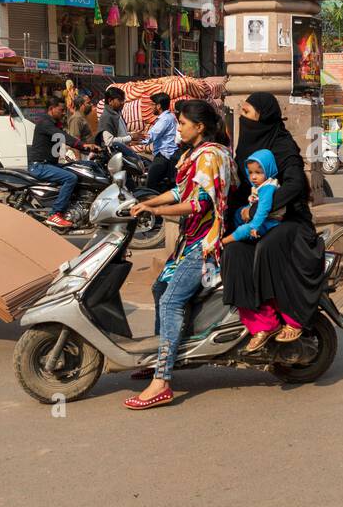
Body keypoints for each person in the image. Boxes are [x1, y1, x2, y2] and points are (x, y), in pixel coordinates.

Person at [125, 101, 236, 411]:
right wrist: (143, 202)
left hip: (204, 246)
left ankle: (161, 382)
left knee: (171, 300)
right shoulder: (194, 155)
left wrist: (156, 211)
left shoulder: (211, 156)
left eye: (184, 123)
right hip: (188, 242)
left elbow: (199, 203)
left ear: (199, 127)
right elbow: (179, 193)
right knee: (160, 288)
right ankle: (164, 354)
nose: (180, 128)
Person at [222, 92, 326, 348]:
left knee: (269, 248)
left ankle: (293, 318)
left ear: (263, 116)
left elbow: (295, 186)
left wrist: (261, 208)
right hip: (257, 221)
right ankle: (263, 323)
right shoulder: (246, 146)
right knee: (233, 251)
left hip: (290, 221)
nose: (242, 118)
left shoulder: (282, 145)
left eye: (247, 113)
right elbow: (241, 189)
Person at [221, 149, 283, 351]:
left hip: (264, 232)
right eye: (251, 172)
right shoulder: (260, 188)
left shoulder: (267, 189)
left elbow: (259, 216)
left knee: (235, 261)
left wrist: (225, 240)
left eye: (259, 172)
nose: (254, 177)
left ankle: (264, 326)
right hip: (261, 233)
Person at [29, 99, 99, 229]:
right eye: (61, 110)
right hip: (39, 166)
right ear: (51, 109)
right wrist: (83, 145)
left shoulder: (54, 123)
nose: (63, 113)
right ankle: (55, 214)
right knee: (70, 178)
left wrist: (91, 149)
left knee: (81, 168)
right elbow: (64, 137)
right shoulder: (45, 123)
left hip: (50, 164)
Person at [143, 92, 179, 191]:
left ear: (158, 106)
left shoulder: (165, 119)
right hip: (166, 154)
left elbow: (151, 135)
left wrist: (132, 139)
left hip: (164, 155)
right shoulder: (168, 117)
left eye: (152, 105)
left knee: (150, 185)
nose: (150, 107)